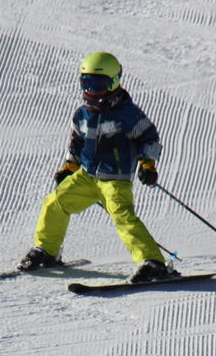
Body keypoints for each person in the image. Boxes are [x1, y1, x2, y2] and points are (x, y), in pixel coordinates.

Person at [19, 51, 176, 283]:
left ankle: (152, 262)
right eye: (86, 82)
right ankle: (47, 251)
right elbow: (76, 143)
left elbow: (149, 138)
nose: (90, 89)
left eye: (97, 84)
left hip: (115, 179)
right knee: (54, 202)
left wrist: (148, 164)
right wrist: (69, 167)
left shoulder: (127, 114)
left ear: (113, 83)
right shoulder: (83, 114)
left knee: (123, 217)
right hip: (87, 176)